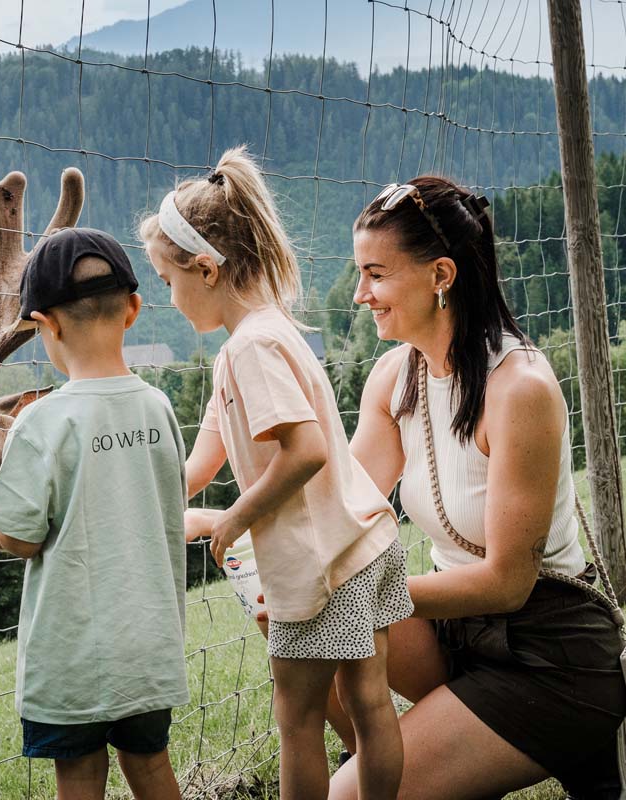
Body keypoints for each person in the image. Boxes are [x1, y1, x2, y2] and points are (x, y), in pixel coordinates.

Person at [335, 176, 626, 799]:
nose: (361, 293)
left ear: (441, 275)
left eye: (376, 274)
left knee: (351, 793)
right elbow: (345, 512)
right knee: (313, 616)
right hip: (459, 638)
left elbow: (506, 582)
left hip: (547, 653)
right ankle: (435, 763)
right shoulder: (393, 378)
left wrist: (368, 593)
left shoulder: (519, 387)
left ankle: (532, 745)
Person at [139, 145, 412, 800]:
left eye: (168, 283)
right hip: (365, 543)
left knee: (296, 719)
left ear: (204, 269)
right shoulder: (270, 331)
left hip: (319, 567)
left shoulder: (250, 348)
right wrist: (147, 505)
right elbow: (204, 455)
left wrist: (236, 518)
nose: (169, 300)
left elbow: (308, 449)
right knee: (370, 704)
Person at [0, 227, 189, 800]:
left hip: (73, 659)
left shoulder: (42, 421)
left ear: (45, 325)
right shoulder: (158, 406)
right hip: (147, 644)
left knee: (79, 782)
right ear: (134, 310)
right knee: (152, 768)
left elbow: (18, 537)